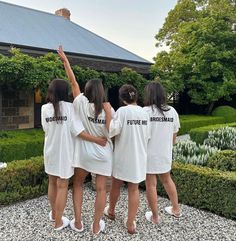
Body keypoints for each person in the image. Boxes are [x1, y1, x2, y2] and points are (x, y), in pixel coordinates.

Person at [57, 46, 114, 236]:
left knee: (79, 184)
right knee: (100, 190)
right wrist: (107, 113)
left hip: (82, 154)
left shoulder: (80, 102)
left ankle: (79, 221)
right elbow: (110, 132)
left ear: (88, 91)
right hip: (103, 154)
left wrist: (66, 61)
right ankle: (96, 225)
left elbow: (73, 82)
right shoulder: (107, 108)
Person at [41, 79, 107, 231]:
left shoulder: (44, 108)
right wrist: (98, 140)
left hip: (50, 151)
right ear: (65, 92)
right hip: (65, 152)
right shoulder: (70, 108)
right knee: (62, 185)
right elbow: (79, 132)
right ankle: (58, 222)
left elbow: (46, 129)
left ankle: (54, 214)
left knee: (52, 182)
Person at [103, 84, 150, 234]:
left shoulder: (122, 112)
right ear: (136, 96)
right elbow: (147, 136)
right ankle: (130, 223)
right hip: (139, 156)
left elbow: (112, 131)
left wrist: (108, 113)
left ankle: (111, 211)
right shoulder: (144, 113)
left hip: (123, 155)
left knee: (116, 184)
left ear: (122, 98)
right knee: (134, 189)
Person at [143, 81, 181, 224]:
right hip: (165, 153)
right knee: (167, 180)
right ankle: (176, 209)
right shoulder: (172, 111)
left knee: (151, 184)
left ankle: (155, 217)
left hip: (148, 154)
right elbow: (174, 137)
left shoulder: (145, 112)